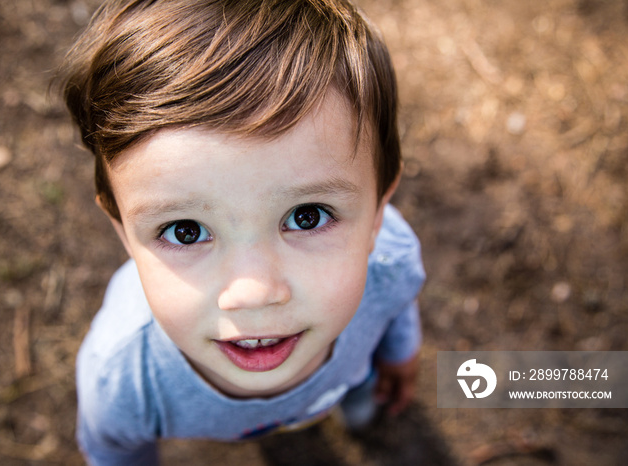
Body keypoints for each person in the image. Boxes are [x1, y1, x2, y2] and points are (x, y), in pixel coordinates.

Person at [59, 0, 425, 464]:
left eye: (307, 216)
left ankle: (357, 411)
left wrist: (399, 354)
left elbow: (397, 302)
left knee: (362, 399)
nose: (252, 293)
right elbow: (115, 450)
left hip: (353, 378)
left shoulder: (390, 264)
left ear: (377, 214)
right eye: (186, 231)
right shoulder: (124, 381)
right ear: (123, 232)